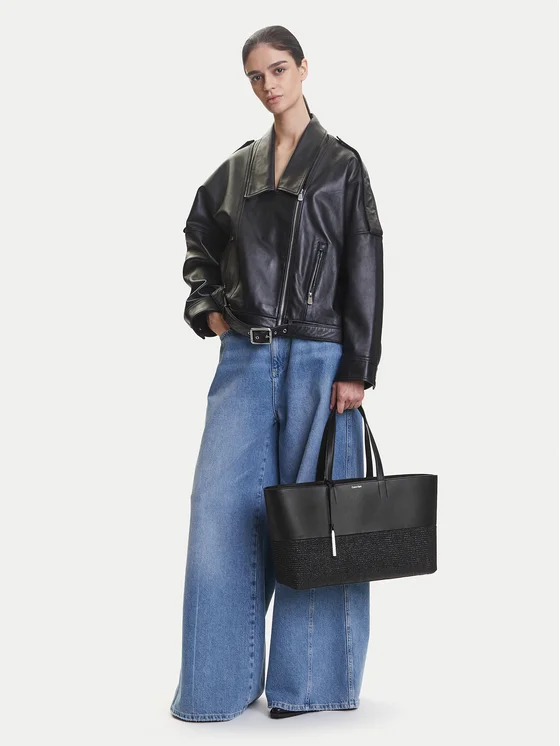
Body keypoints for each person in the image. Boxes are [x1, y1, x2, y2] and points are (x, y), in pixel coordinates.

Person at [170, 25, 384, 722]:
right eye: (256, 76)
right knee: (219, 513)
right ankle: (217, 686)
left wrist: (357, 367)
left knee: (315, 520)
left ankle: (310, 684)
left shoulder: (342, 164)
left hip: (321, 360)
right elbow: (199, 235)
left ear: (303, 69)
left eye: (279, 69)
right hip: (244, 357)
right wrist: (208, 309)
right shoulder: (238, 168)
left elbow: (364, 264)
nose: (269, 85)